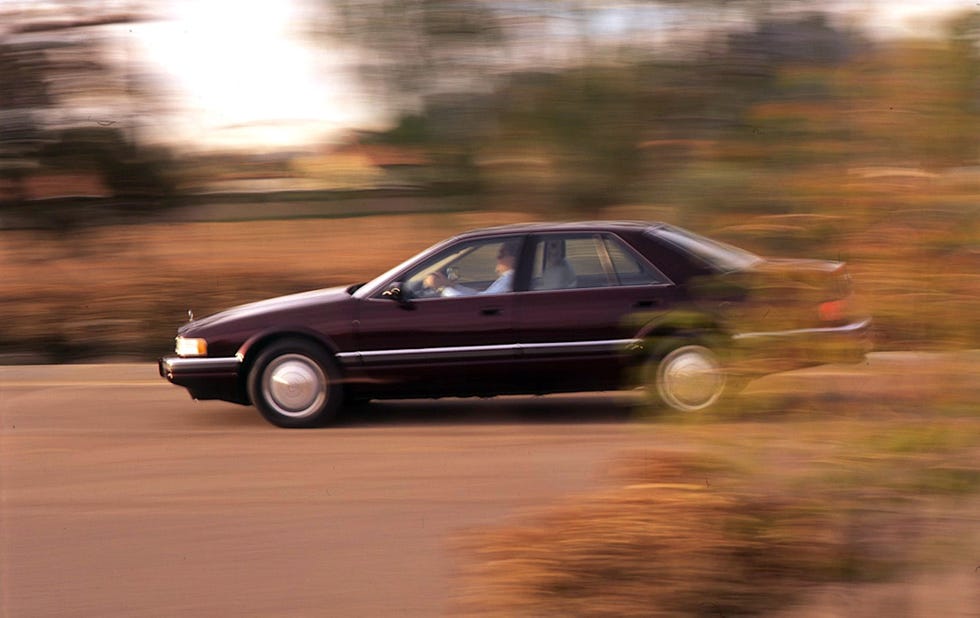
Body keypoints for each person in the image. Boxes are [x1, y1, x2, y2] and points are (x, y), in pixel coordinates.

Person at [424, 240, 517, 296]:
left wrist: (442, 288)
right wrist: (451, 285)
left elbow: (480, 303)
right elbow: (478, 296)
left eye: (502, 254)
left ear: (514, 258)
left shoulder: (510, 279)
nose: (497, 258)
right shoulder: (511, 278)